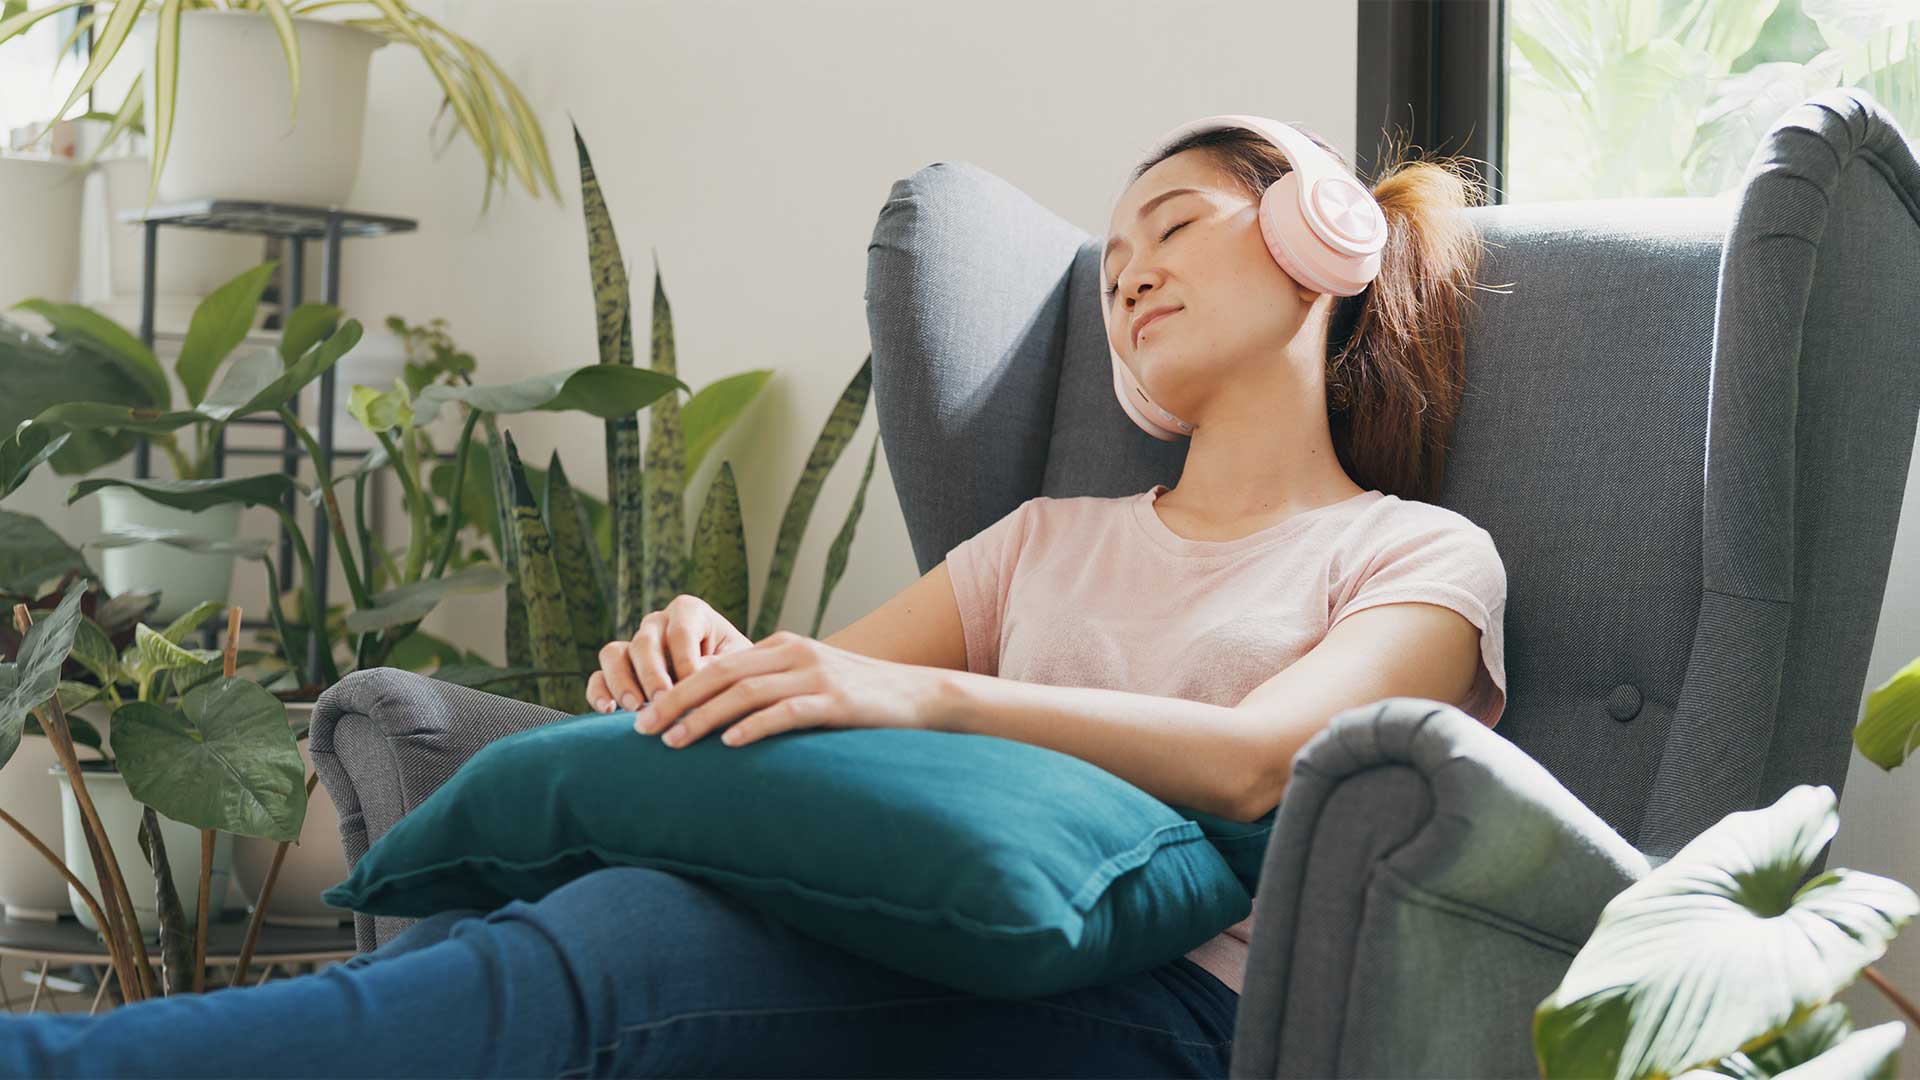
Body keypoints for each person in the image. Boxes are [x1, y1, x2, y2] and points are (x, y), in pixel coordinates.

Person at [0, 118, 1502, 1079]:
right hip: (929, 951)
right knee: (624, 918)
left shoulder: (1417, 558)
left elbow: (1269, 760)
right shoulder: (1045, 540)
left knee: (627, 965)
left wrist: (925, 692)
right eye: (1111, 260)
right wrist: (702, 659)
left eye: (1173, 226)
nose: (1131, 275)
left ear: (1325, 242)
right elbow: (807, 714)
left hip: (1191, 1021)